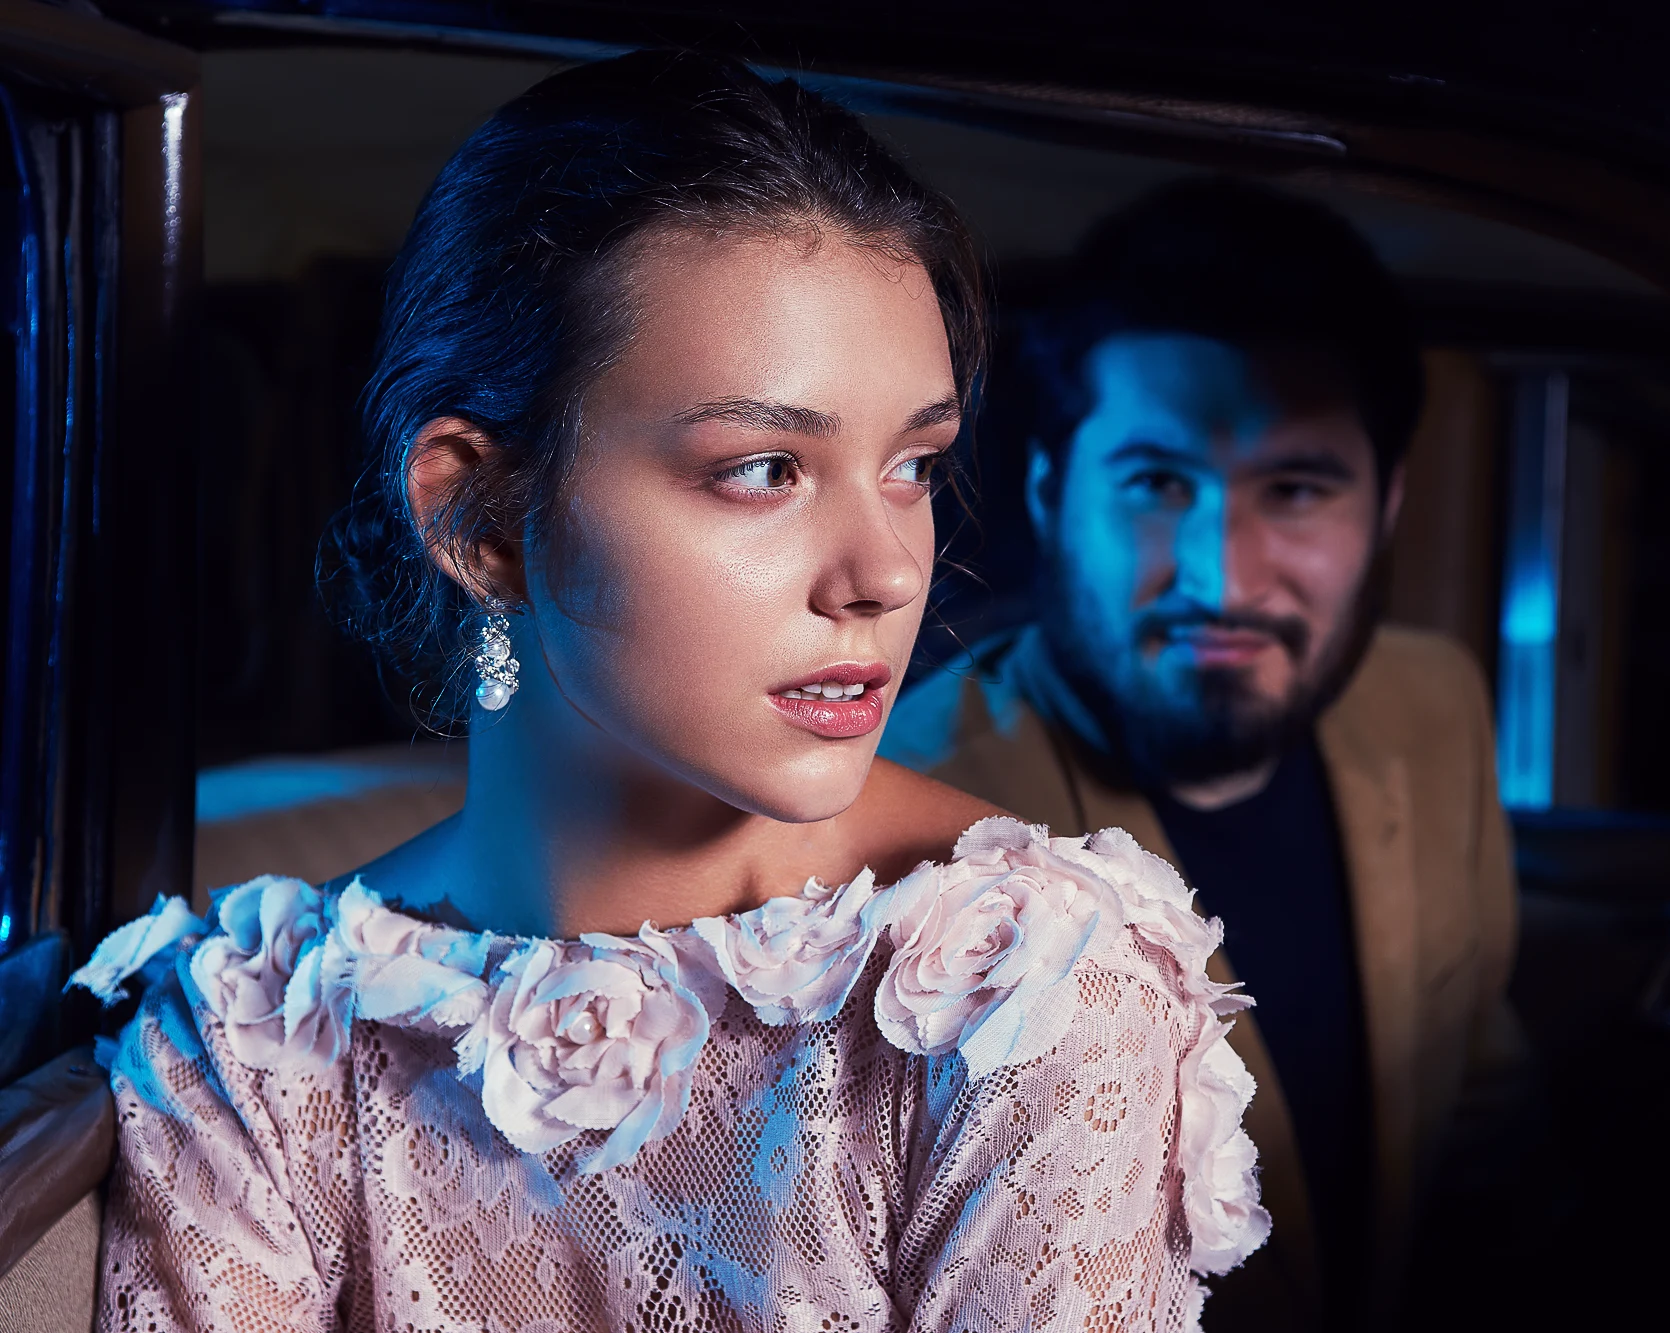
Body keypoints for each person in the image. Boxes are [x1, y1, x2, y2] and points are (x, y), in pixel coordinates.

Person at [68, 54, 1269, 1332]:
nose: (883, 573)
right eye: (763, 467)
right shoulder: (253, 1039)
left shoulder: (1025, 989)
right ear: (479, 518)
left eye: (913, 465)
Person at [882, 179, 1526, 1329]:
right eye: (1156, 485)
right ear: (1047, 495)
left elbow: (1476, 1097)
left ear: (1382, 514)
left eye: (1294, 489)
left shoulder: (1434, 707)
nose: (1219, 579)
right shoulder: (903, 824)